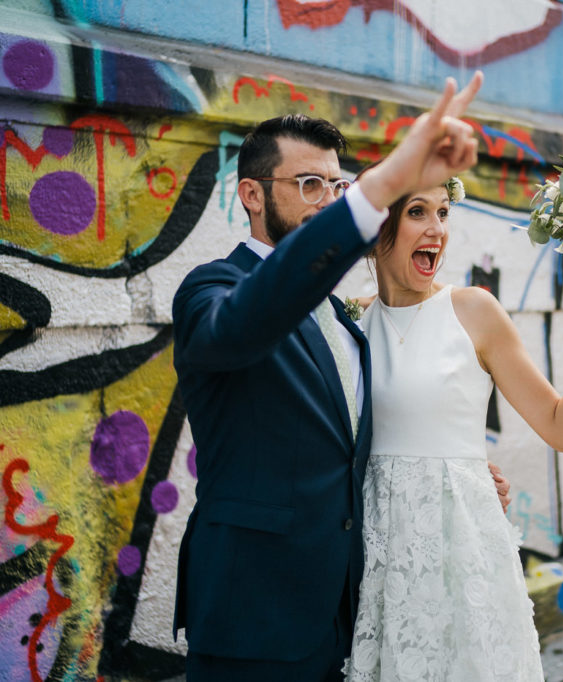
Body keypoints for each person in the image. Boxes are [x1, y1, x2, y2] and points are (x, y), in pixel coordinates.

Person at [171, 73, 490, 680]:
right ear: (252, 195)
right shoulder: (213, 291)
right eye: (309, 184)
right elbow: (252, 319)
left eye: (336, 185)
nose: (326, 198)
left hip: (342, 614)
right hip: (253, 616)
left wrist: (457, 471)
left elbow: (351, 444)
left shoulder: (346, 318)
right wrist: (380, 187)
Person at [342, 177, 563, 681]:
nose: (437, 228)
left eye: (443, 212)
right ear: (378, 229)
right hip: (377, 560)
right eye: (418, 212)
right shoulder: (352, 321)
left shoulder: (473, 311)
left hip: (461, 550)